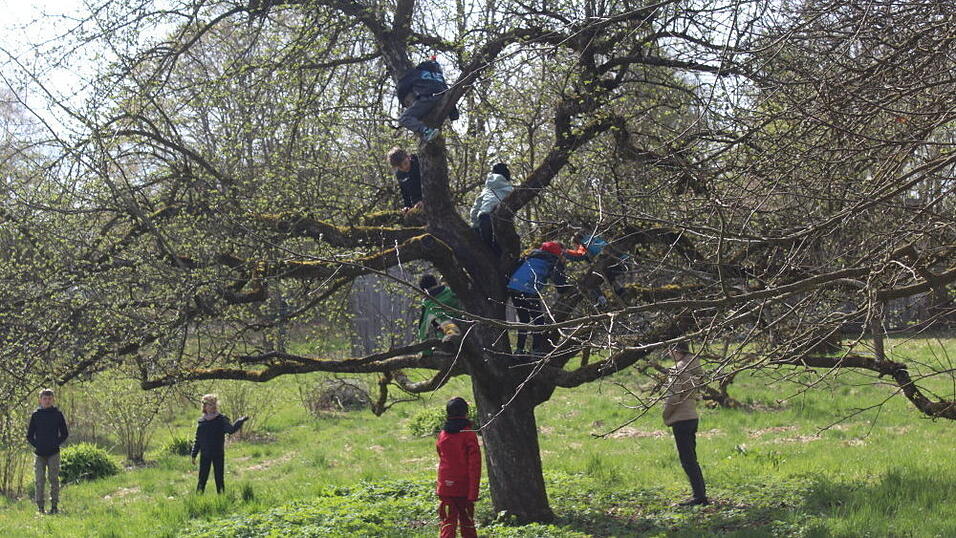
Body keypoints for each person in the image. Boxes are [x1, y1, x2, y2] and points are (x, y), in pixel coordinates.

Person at [663, 342, 708, 506]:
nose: (668, 354)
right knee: (692, 458)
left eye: (669, 350)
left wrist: (665, 415)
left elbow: (674, 397)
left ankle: (699, 497)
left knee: (687, 460)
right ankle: (700, 494)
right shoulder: (694, 367)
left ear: (676, 351)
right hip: (692, 416)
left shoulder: (677, 370)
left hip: (680, 418)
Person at [506, 241, 569, 354]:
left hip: (514, 287)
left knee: (523, 319)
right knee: (538, 319)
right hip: (529, 289)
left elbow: (515, 269)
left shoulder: (531, 255)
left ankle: (519, 349)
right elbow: (561, 286)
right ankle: (536, 349)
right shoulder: (553, 261)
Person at [436, 397, 481, 538]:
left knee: (448, 523)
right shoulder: (468, 434)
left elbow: (440, 455)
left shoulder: (442, 435)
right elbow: (475, 466)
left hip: (445, 486)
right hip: (464, 488)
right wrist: (473, 493)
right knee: (467, 523)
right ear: (466, 413)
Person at [191, 394, 248, 494]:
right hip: (205, 455)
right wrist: (193, 454)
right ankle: (198, 499)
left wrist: (240, 421)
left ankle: (222, 500)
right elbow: (198, 440)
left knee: (219, 478)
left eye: (214, 404)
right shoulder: (202, 422)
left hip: (218, 454)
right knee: (202, 479)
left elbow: (231, 430)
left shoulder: (221, 419)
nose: (213, 406)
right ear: (204, 406)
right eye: (210, 404)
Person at [396, 57, 459, 144]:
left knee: (404, 118)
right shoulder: (439, 76)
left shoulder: (416, 73)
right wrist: (453, 113)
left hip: (427, 98)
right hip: (442, 99)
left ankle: (426, 131)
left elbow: (402, 86)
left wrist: (403, 101)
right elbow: (447, 91)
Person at [26, 388, 69, 514]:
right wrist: (37, 445)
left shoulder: (57, 414)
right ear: (40, 400)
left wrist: (55, 443)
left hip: (54, 453)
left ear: (53, 399)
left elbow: (64, 433)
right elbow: (29, 435)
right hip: (39, 453)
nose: (47, 401)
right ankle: (40, 508)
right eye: (45, 398)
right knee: (39, 480)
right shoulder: (36, 415)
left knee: (54, 479)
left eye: (50, 398)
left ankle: (54, 506)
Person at [564, 229, 631, 305]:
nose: (575, 248)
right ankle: (621, 293)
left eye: (574, 246)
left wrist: (565, 253)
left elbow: (579, 256)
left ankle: (601, 301)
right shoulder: (595, 238)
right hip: (622, 259)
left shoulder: (584, 244)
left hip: (611, 262)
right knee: (610, 278)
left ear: (577, 242)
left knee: (590, 281)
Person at [469, 163, 514, 256]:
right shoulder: (510, 189)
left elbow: (475, 209)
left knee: (486, 252)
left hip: (484, 217)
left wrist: (475, 224)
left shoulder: (487, 189)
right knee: (499, 252)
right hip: (499, 219)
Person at [418, 274, 463, 351]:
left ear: (424, 290)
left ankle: (451, 339)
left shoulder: (427, 305)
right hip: (466, 326)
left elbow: (423, 331)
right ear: (436, 282)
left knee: (444, 322)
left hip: (449, 335)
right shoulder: (450, 291)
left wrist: (425, 353)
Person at [387, 147, 423, 212]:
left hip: (432, 200)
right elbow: (405, 194)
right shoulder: (399, 174)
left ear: (408, 157)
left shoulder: (420, 162)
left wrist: (424, 200)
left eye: (405, 163)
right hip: (416, 205)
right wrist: (407, 207)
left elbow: (433, 183)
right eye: (400, 167)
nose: (404, 168)